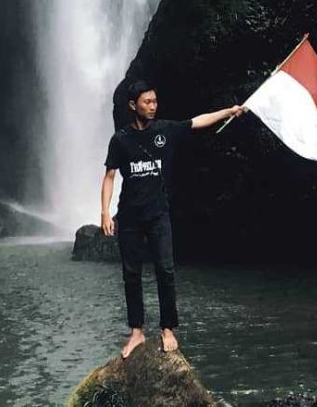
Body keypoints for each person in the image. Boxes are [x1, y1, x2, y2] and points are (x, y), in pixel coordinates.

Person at [101, 79, 244, 358]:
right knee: (131, 275)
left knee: (165, 271)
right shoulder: (121, 139)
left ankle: (168, 328)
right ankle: (137, 333)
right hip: (129, 216)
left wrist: (228, 111)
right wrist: (105, 212)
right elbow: (109, 176)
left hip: (158, 214)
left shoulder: (164, 130)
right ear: (133, 106)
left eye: (155, 101)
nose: (153, 106)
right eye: (147, 102)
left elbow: (196, 122)